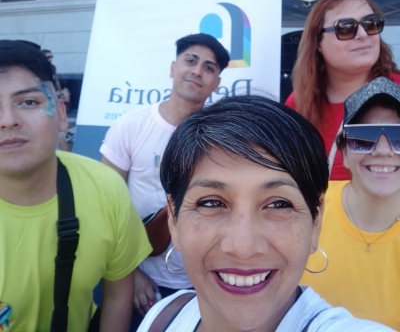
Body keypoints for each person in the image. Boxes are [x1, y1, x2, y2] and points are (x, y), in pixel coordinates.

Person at [137, 94, 394, 332]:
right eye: (212, 203)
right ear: (174, 218)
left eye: (279, 204)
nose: (243, 248)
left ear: (316, 220)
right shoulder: (163, 316)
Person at [0, 40, 152, 332]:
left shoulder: (105, 188)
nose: (8, 121)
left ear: (60, 114)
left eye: (28, 102)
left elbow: (117, 296)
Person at [100, 33, 230, 329]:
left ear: (217, 83)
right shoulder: (131, 126)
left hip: (205, 281)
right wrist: (130, 272)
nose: (197, 71)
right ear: (173, 67)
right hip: (139, 278)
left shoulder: (223, 138)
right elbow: (106, 205)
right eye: (191, 61)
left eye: (209, 67)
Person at [301, 77, 400, 330]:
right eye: (363, 137)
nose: (383, 150)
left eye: (398, 136)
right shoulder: (306, 209)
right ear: (344, 153)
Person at [285, 0, 400, 180]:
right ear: (318, 43)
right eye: (346, 28)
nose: (363, 34)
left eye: (371, 24)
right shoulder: (299, 102)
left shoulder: (397, 89)